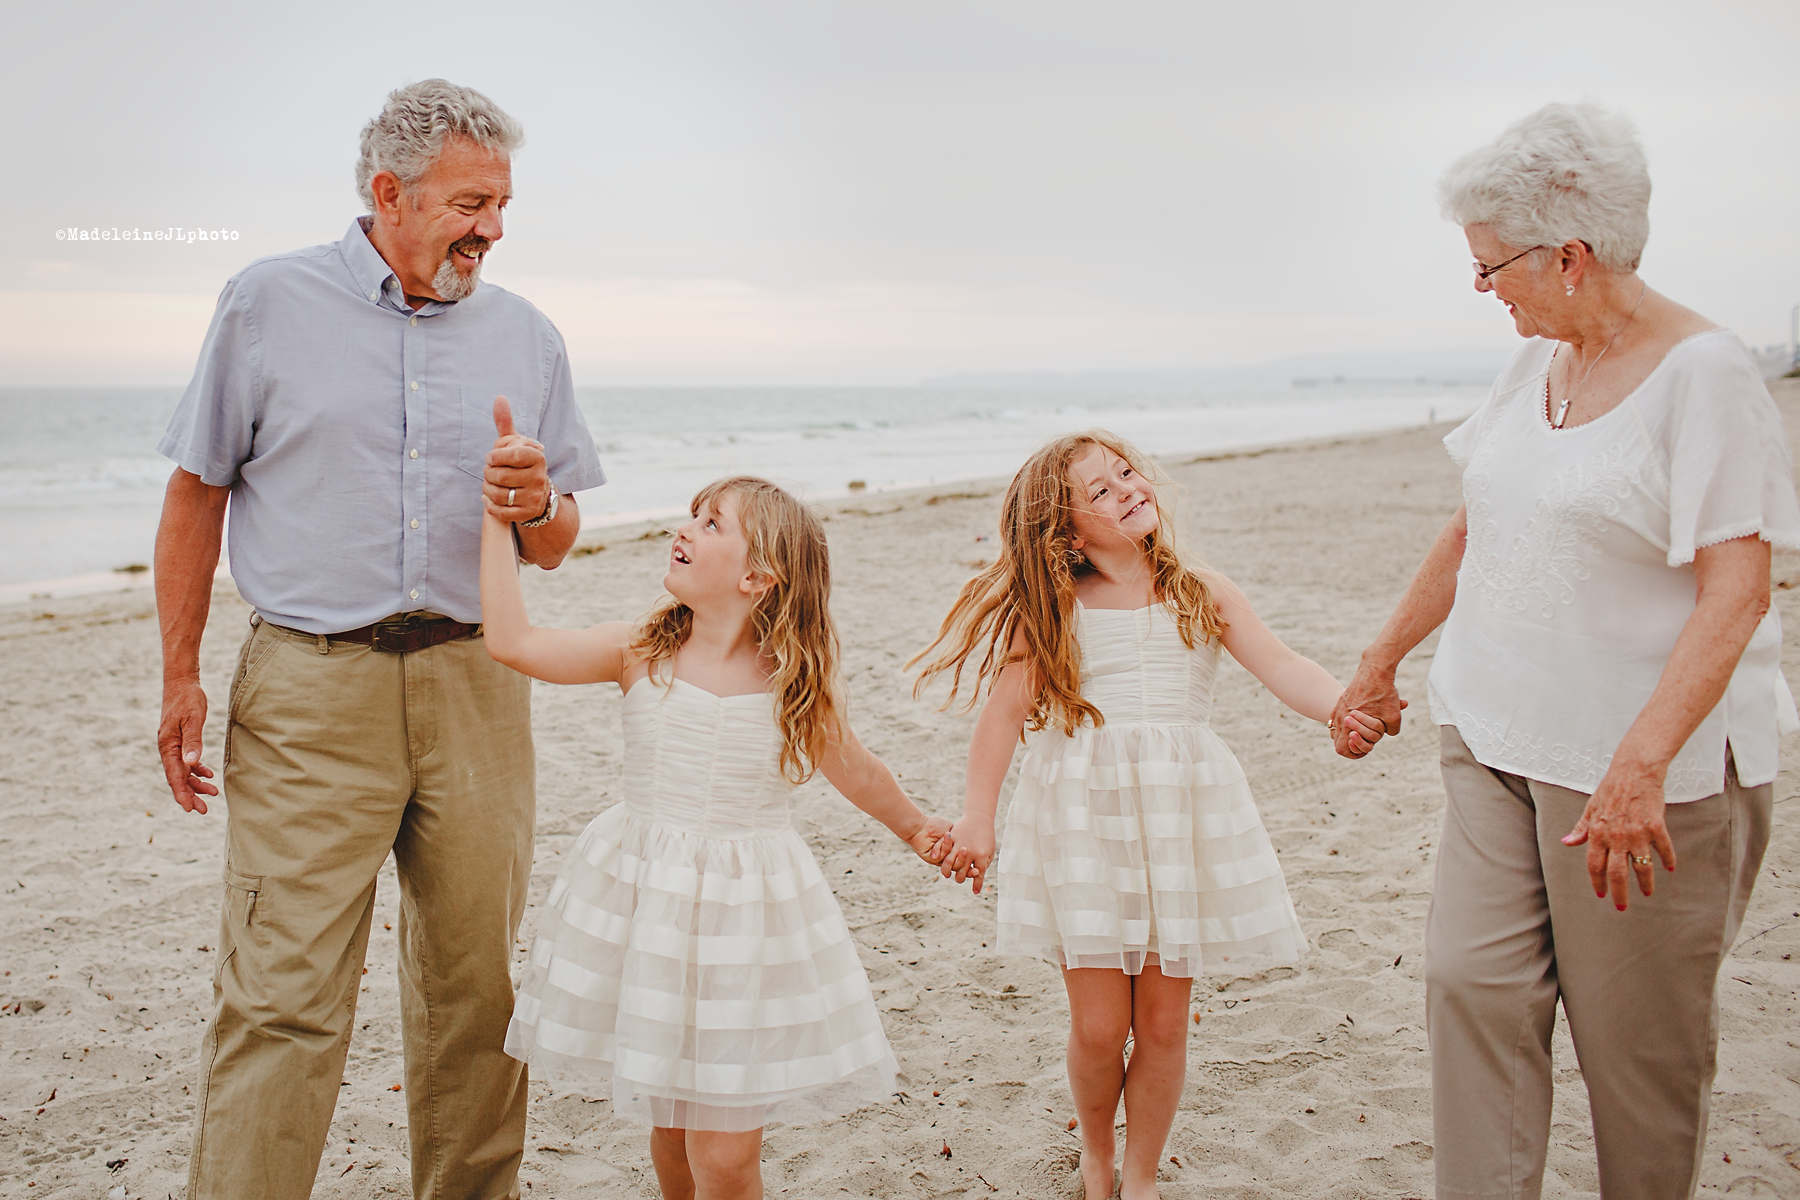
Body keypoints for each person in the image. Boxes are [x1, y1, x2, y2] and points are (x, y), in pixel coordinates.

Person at [1331, 100, 1800, 1200]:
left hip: (1636, 782)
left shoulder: (1708, 378)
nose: (1487, 289)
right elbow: (1474, 524)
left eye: (1493, 268)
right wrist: (1380, 657)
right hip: (1492, 736)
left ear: (1571, 257)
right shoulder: (1533, 363)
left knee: (1638, 1061)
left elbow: (1739, 590)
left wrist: (1639, 764)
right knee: (1469, 990)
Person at [153, 80, 605, 1199]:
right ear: (389, 193)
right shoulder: (265, 303)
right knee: (282, 999)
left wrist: (534, 499)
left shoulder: (527, 334)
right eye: (470, 202)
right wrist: (179, 679)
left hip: (477, 687)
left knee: (479, 999)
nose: (493, 228)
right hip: (309, 694)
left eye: (503, 204)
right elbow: (195, 493)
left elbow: (555, 545)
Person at [911, 431, 1383, 1200]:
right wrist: (977, 819)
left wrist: (1340, 710)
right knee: (1101, 1029)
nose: (1127, 489)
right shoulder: (1055, 608)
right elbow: (1000, 720)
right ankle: (1097, 1156)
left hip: (1179, 822)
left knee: (1162, 1025)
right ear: (1066, 532)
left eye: (1126, 473)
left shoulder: (1203, 590)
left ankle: (1138, 1176)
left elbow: (1284, 665)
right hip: (1082, 823)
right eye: (1099, 491)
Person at [483, 469, 955, 1200]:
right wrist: (495, 522)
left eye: (711, 525)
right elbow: (514, 643)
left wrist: (919, 828)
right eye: (691, 517)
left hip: (746, 923)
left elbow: (858, 771)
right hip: (651, 914)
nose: (685, 530)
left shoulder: (794, 680)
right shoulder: (638, 650)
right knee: (671, 1134)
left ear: (758, 578)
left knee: (725, 1156)